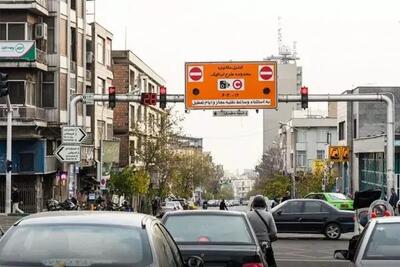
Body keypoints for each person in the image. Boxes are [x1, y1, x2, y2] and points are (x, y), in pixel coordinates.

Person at [247, 195, 277, 267]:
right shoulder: (268, 215)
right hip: (266, 244)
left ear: (253, 204)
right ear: (264, 204)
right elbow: (274, 231)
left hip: (253, 243)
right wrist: (267, 236)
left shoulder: (248, 215)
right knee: (271, 263)